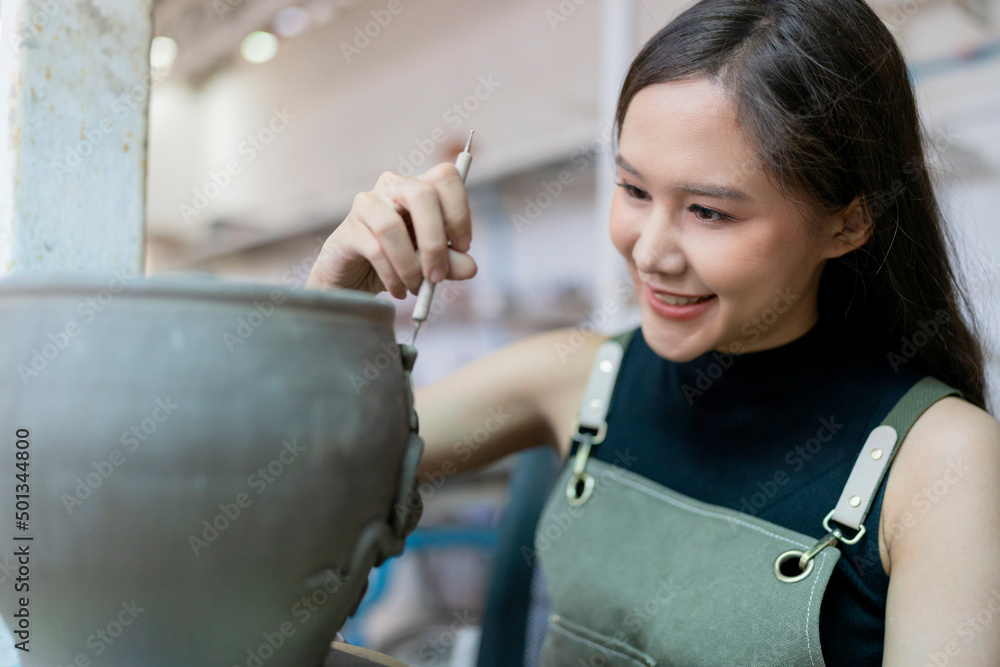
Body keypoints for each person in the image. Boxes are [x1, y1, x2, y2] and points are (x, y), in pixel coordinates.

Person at [306, 0, 1000, 664]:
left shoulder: (940, 462)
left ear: (848, 221)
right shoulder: (577, 379)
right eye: (635, 190)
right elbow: (299, 463)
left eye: (708, 212)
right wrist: (331, 295)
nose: (649, 252)